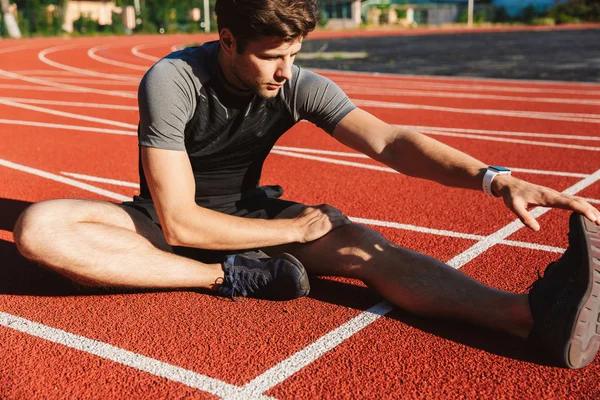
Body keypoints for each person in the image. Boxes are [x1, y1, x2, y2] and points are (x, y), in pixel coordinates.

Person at [13, 0, 600, 369]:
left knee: (374, 250)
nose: (286, 70)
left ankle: (527, 318)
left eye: (294, 54)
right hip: (166, 221)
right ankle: (232, 274)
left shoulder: (295, 83)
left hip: (248, 213)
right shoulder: (172, 80)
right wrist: (293, 229)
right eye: (272, 56)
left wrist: (494, 179)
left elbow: (391, 142)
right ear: (227, 41)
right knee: (41, 228)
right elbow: (179, 221)